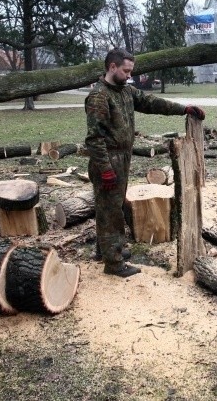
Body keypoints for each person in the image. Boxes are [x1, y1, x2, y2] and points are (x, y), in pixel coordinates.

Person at [85, 48, 205, 277]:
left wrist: (185, 109)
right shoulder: (99, 96)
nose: (130, 75)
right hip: (108, 159)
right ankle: (114, 263)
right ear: (112, 67)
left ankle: (107, 251)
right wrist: (105, 169)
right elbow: (94, 138)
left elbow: (152, 103)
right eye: (126, 70)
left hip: (122, 157)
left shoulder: (125, 91)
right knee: (110, 211)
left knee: (112, 206)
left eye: (131, 71)